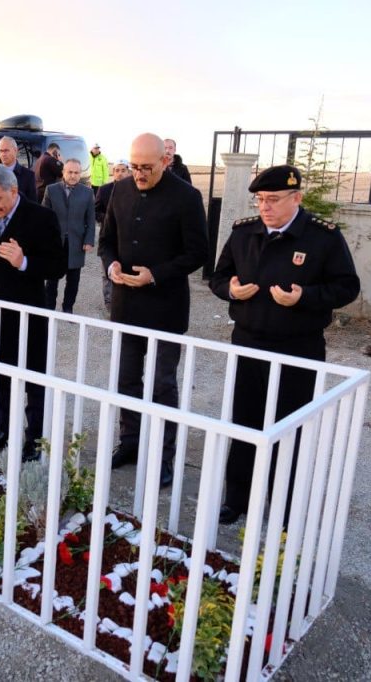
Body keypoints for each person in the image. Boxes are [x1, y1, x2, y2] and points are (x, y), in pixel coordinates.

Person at [209, 165, 360, 525]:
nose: (265, 207)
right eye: (261, 199)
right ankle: (237, 497)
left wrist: (305, 297)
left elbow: (346, 287)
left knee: (289, 427)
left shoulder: (321, 237)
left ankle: (283, 504)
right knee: (244, 422)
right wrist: (230, 290)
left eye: (273, 200)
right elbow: (217, 276)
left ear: (297, 198)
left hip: (298, 349)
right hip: (248, 344)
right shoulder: (245, 233)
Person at [98, 133, 209, 488]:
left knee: (162, 385)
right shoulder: (121, 189)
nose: (140, 174)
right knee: (127, 380)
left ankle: (163, 456)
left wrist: (156, 275)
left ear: (165, 161)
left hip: (165, 306)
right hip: (127, 303)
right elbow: (106, 242)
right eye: (134, 167)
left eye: (147, 167)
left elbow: (197, 252)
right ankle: (129, 442)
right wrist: (112, 264)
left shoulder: (187, 196)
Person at [0, 164, 65, 460]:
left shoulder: (42, 217)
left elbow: (58, 265)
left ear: (14, 190)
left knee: (33, 379)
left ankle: (34, 441)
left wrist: (25, 262)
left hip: (28, 311)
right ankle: (2, 433)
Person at [42, 159, 95, 314]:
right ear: (63, 172)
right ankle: (48, 308)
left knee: (73, 280)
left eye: (76, 172)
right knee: (52, 279)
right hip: (55, 243)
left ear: (80, 174)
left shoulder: (87, 193)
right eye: (69, 172)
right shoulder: (51, 190)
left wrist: (89, 240)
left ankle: (67, 308)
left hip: (77, 243)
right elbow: (45, 216)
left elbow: (90, 220)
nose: (73, 175)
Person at [94, 160, 130, 313]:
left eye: (123, 170)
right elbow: (95, 212)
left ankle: (125, 303)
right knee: (107, 272)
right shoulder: (104, 190)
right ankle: (110, 305)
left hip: (127, 239)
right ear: (113, 172)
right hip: (108, 238)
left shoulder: (134, 189)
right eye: (117, 170)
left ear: (128, 171)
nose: (120, 173)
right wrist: (110, 219)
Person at [0, 136, 37, 201]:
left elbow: (33, 206)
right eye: (1, 151)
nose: (3, 154)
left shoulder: (28, 176)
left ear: (15, 151)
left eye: (6, 150)